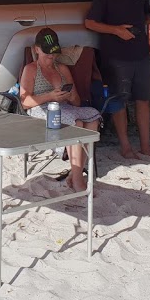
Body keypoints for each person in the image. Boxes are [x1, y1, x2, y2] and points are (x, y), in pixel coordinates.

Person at [83, 0, 150, 161]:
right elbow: (90, 23)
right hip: (116, 54)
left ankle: (146, 147)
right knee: (119, 100)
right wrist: (116, 31)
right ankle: (126, 147)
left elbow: (145, 18)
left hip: (140, 51)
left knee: (143, 99)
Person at [19, 28, 101, 191]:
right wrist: (49, 96)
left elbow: (77, 102)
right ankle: (78, 180)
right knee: (76, 123)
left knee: (93, 119)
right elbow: (25, 102)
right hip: (40, 109)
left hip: (64, 108)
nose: (51, 56)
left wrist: (70, 97)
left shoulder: (62, 69)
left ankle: (74, 173)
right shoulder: (31, 69)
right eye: (47, 53)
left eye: (54, 53)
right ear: (36, 49)